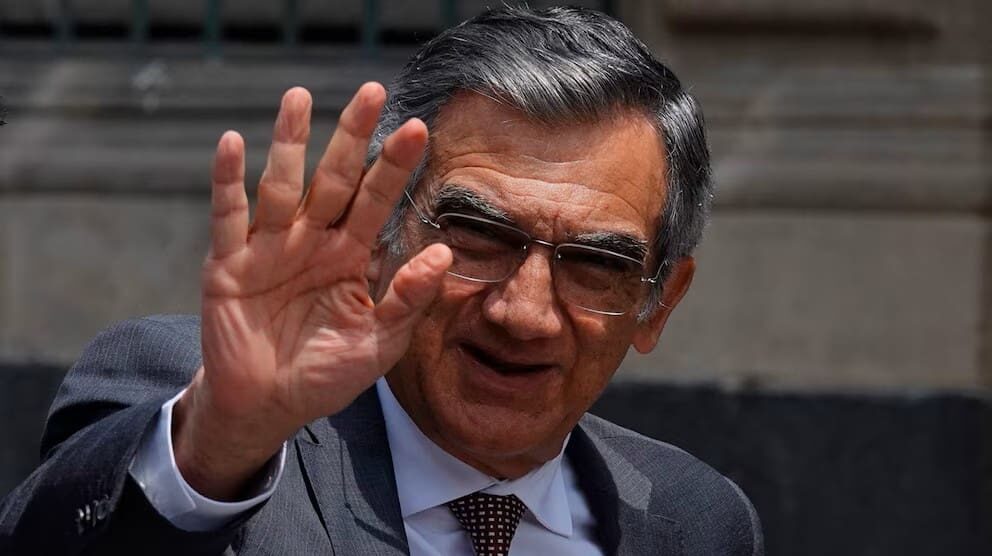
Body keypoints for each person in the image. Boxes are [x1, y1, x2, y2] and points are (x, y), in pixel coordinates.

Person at [0, 6, 763, 555]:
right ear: (378, 234)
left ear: (658, 303)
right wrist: (215, 447)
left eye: (596, 265)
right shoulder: (207, 414)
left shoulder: (697, 520)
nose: (524, 312)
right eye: (479, 236)